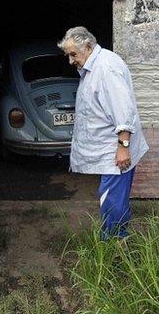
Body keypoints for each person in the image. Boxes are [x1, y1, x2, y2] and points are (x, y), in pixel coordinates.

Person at [57, 26, 149, 240]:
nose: (70, 61)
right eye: (68, 55)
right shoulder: (95, 65)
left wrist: (123, 148)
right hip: (112, 148)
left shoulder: (105, 68)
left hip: (115, 150)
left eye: (73, 54)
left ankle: (114, 242)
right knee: (114, 197)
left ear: (88, 47)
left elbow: (123, 110)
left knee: (111, 199)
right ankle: (118, 238)